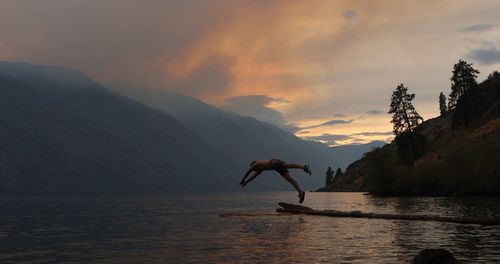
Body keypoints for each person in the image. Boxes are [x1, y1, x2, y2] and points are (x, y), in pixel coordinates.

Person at [239, 159, 312, 204]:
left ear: (253, 164)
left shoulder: (256, 164)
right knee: (290, 179)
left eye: (254, 169)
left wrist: (243, 180)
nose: (254, 170)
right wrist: (247, 182)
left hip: (274, 163)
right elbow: (254, 176)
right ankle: (300, 192)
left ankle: (304, 167)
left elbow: (248, 172)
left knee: (289, 165)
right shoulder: (260, 168)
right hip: (276, 167)